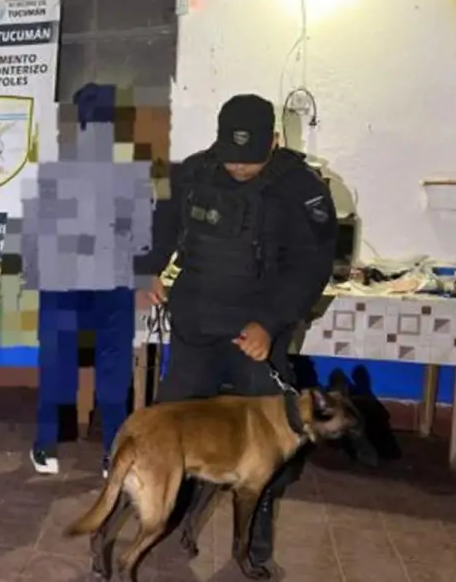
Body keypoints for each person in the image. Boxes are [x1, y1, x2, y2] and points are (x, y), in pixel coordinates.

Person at [145, 93, 337, 566]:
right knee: (172, 424)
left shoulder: (301, 188)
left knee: (269, 440)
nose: (239, 168)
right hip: (196, 324)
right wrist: (146, 268)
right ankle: (170, 511)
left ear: (274, 141)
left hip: (257, 335)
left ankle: (257, 525)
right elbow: (160, 224)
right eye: (231, 157)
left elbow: (311, 266)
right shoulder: (191, 173)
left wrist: (270, 323)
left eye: (249, 160)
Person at [22, 84, 153, 476]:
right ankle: (113, 453)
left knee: (56, 363)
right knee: (113, 369)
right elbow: (143, 241)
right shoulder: (134, 175)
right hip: (113, 283)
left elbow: (32, 238)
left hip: (60, 282)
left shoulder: (51, 172)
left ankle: (46, 447)